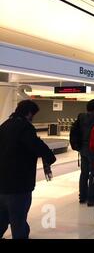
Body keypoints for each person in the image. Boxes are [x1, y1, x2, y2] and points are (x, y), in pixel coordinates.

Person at [0, 100, 56, 239]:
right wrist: (50, 157)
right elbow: (37, 146)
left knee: (2, 219)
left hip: (1, 183)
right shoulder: (25, 127)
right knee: (18, 221)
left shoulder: (4, 125)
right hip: (18, 184)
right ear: (29, 113)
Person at [70, 99, 94, 206]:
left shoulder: (81, 117)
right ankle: (92, 198)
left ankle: (82, 196)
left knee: (84, 173)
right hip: (93, 149)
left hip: (82, 148)